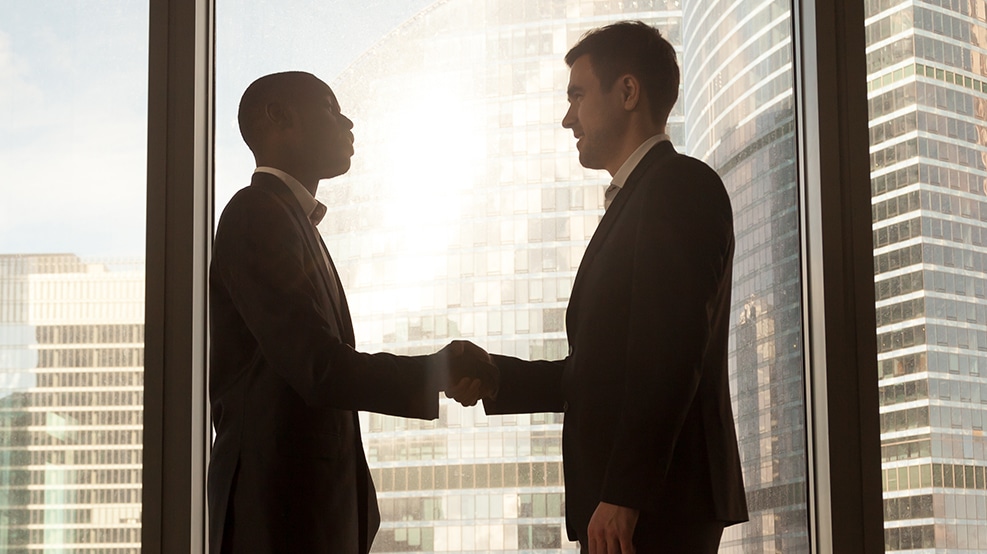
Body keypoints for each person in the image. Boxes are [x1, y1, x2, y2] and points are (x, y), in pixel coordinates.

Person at [448, 21, 748, 553]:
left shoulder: (677, 187)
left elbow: (670, 354)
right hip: (635, 505)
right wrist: (498, 379)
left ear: (628, 92)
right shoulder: (641, 198)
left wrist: (625, 494)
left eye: (578, 96)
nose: (568, 118)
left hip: (654, 508)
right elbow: (609, 371)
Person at [208, 71, 496, 554]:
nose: (348, 121)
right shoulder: (255, 213)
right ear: (279, 116)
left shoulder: (293, 223)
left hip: (302, 518)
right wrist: (435, 371)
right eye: (329, 107)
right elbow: (319, 367)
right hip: (279, 523)